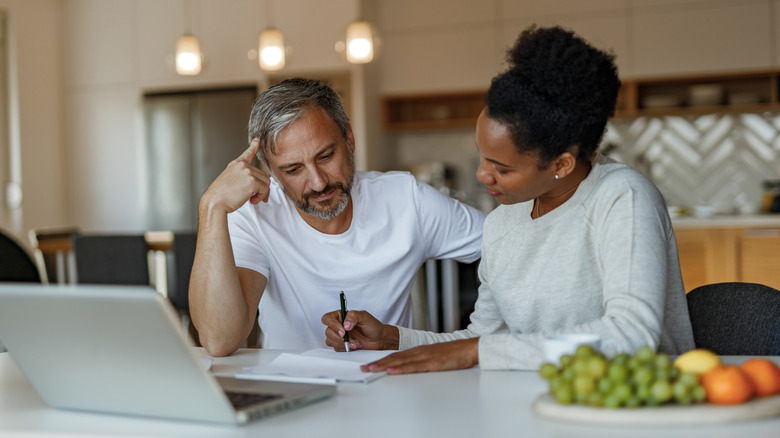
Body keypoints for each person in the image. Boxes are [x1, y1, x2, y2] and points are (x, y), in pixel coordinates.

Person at [322, 25, 695, 372]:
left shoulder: (621, 198)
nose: (484, 175)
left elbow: (631, 336)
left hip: (640, 406)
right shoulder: (503, 223)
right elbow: (484, 339)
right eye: (482, 157)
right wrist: (392, 338)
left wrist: (477, 351)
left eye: (502, 167)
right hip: (542, 403)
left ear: (561, 163)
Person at [189, 78, 485, 356]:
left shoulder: (405, 199)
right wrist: (211, 205)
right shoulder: (255, 214)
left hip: (391, 390)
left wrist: (493, 322)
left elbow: (509, 241)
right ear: (270, 171)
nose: (318, 182)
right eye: (293, 170)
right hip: (293, 394)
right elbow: (219, 339)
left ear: (349, 139)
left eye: (326, 156)